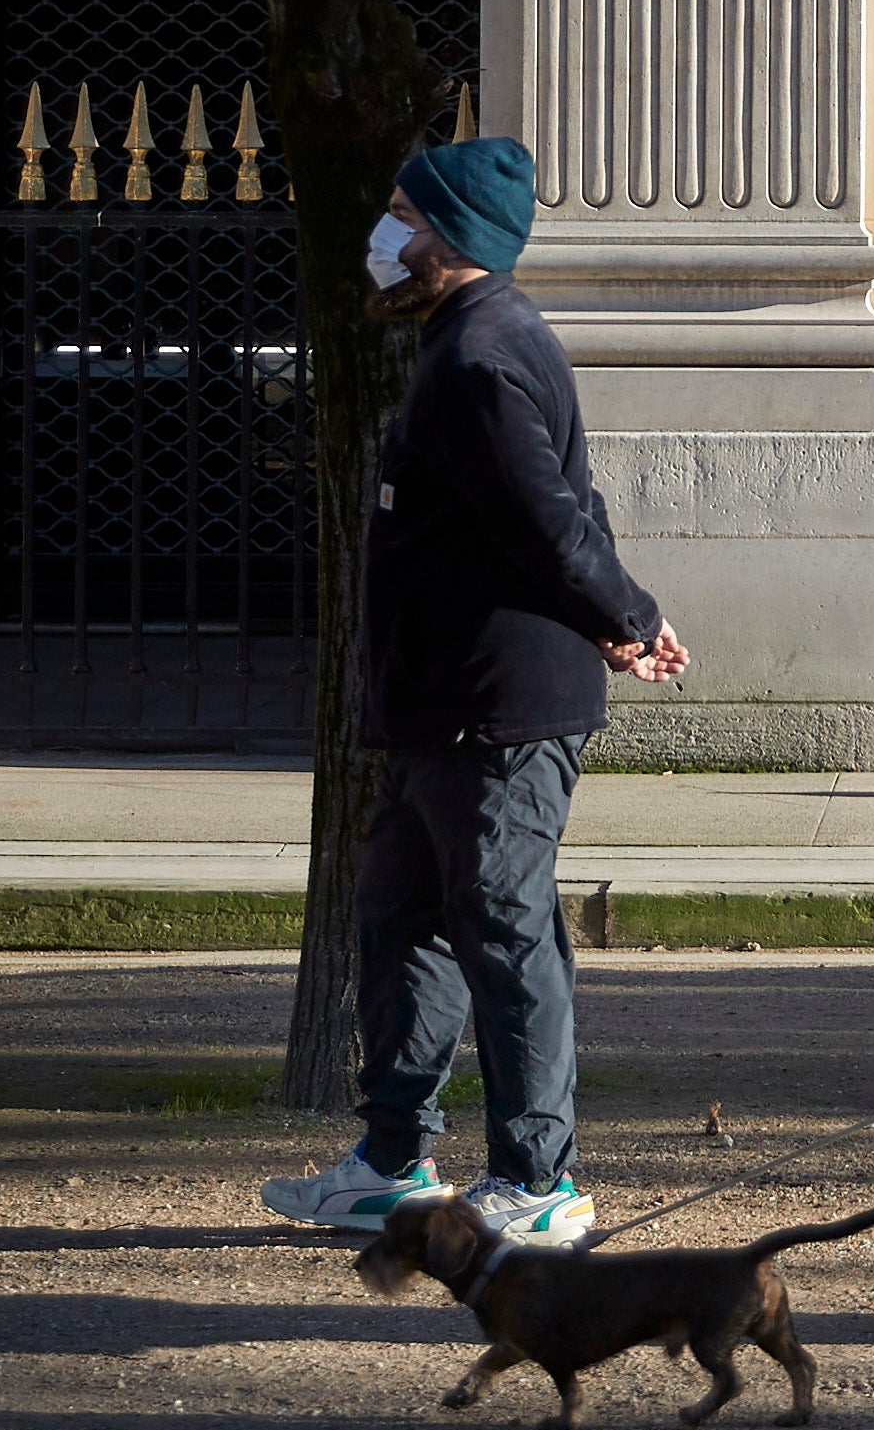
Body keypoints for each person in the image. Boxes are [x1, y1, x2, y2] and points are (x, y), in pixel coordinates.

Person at [261, 135, 686, 1243]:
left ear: (446, 236)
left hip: (494, 709)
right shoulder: (474, 340)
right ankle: (390, 1161)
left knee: (502, 930)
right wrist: (622, 620)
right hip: (443, 707)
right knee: (402, 924)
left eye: (399, 215)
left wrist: (629, 618)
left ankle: (538, 1180)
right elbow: (564, 512)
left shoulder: (479, 358)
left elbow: (550, 524)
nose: (381, 233)